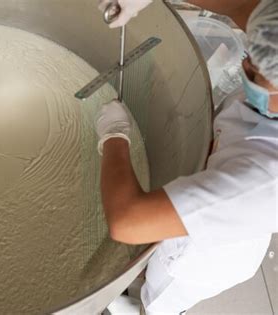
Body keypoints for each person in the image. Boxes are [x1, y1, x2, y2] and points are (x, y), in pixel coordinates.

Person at [95, 0, 278, 314]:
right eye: (250, 56)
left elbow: (126, 220)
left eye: (256, 72)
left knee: (161, 296)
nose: (245, 64)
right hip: (221, 172)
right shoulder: (273, 50)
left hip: (203, 257)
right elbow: (241, 6)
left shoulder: (262, 184)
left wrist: (114, 134)